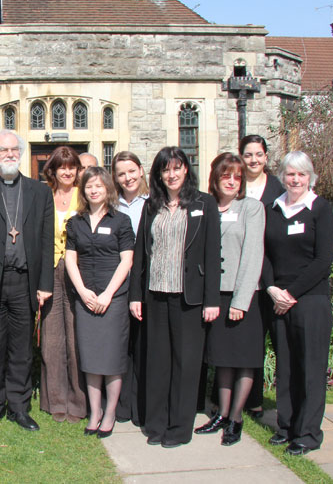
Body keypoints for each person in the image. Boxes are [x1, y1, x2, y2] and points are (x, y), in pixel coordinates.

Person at [129, 146, 221, 448]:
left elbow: (211, 254)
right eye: (166, 169)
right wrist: (135, 295)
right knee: (157, 363)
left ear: (186, 170)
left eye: (177, 168)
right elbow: (141, 255)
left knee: (185, 364)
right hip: (155, 295)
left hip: (189, 299)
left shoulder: (204, 204)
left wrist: (211, 300)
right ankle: (155, 424)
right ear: (158, 174)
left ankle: (179, 428)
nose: (171, 174)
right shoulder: (151, 205)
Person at [0, 130, 54, 433]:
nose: (9, 154)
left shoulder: (39, 192)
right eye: (3, 150)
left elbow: (45, 241)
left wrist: (45, 283)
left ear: (21, 152)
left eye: (14, 149)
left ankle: (19, 406)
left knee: (21, 348)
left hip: (25, 282)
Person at [263, 151, 333, 456]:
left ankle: (307, 433)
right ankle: (287, 426)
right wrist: (271, 288)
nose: (295, 180)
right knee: (287, 366)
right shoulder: (274, 209)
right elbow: (264, 253)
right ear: (283, 177)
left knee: (310, 367)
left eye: (301, 175)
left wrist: (290, 294)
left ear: (310, 177)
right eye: (290, 174)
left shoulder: (319, 209)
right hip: (278, 299)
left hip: (310, 299)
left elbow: (323, 260)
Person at [194, 153, 265, 446]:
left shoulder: (251, 208)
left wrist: (240, 300)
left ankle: (236, 417)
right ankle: (221, 413)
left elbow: (252, 254)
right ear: (216, 178)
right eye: (226, 176)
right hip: (215, 294)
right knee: (221, 358)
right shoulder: (207, 207)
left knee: (244, 360)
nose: (232, 182)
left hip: (242, 295)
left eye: (237, 177)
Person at [65, 167, 135, 438]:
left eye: (99, 186)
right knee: (92, 359)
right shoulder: (76, 222)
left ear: (108, 189)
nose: (94, 190)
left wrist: (107, 294)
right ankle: (95, 412)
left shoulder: (121, 221)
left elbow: (126, 260)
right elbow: (71, 259)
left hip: (113, 299)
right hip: (86, 297)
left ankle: (110, 412)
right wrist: (82, 291)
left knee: (112, 359)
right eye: (89, 187)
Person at [39, 146, 86, 423]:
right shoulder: (44, 196)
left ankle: (78, 402)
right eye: (61, 167)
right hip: (50, 271)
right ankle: (55, 400)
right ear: (53, 170)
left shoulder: (86, 195)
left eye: (71, 167)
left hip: (79, 272)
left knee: (76, 335)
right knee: (51, 338)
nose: (67, 172)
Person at [238, 134, 284, 418]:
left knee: (278, 340)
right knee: (249, 341)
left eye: (258, 154)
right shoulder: (235, 186)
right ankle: (251, 399)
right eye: (248, 155)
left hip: (273, 275)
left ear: (266, 157)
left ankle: (283, 401)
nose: (253, 160)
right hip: (244, 277)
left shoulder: (278, 188)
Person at [111, 151, 149, 425]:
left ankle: (142, 405)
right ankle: (122, 405)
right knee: (121, 346)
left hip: (147, 282)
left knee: (144, 345)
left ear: (141, 170)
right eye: (121, 174)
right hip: (118, 281)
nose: (127, 178)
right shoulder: (113, 207)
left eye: (131, 171)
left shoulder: (154, 203)